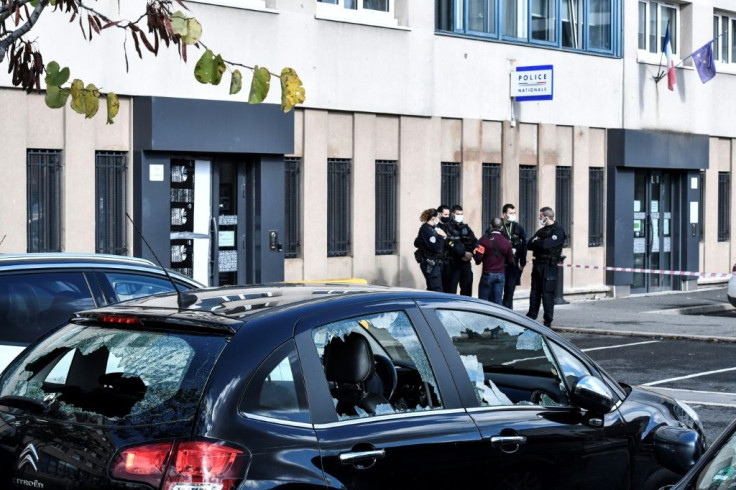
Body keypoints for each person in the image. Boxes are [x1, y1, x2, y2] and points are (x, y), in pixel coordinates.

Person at [526, 207, 566, 328]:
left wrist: (538, 242)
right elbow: (529, 244)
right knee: (535, 292)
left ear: (546, 217)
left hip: (549, 266)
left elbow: (546, 245)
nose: (539, 218)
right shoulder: (541, 231)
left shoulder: (558, 231)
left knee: (547, 293)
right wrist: (538, 242)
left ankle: (548, 321)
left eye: (540, 216)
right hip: (538, 265)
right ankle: (531, 317)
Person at [488, 203, 527, 309]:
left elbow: (524, 245)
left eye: (514, 213)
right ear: (504, 214)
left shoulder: (518, 227)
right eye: (511, 213)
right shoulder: (497, 225)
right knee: (496, 292)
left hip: (513, 264)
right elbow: (488, 241)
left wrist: (522, 263)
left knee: (509, 291)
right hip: (499, 264)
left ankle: (508, 314)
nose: (513, 215)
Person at [474, 217, 514, 305]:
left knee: (483, 301)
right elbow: (510, 260)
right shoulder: (506, 242)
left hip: (487, 274)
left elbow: (478, 258)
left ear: (490, 226)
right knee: (498, 301)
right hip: (500, 274)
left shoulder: (483, 240)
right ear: (502, 228)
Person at [444, 205, 478, 296]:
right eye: (458, 214)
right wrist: (463, 253)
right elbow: (449, 243)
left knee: (467, 290)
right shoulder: (447, 227)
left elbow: (474, 241)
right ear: (452, 214)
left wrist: (473, 251)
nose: (460, 216)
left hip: (466, 263)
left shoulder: (466, 228)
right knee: (451, 291)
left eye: (461, 214)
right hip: (453, 264)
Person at [413, 208, 447, 292]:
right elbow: (437, 248)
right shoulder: (427, 229)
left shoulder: (432, 228)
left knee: (431, 289)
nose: (439, 218)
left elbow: (416, 243)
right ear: (433, 218)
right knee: (436, 290)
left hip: (433, 263)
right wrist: (441, 236)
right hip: (430, 264)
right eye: (438, 216)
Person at [435, 205, 453, 292]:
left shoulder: (450, 226)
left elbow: (451, 242)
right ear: (439, 214)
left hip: (448, 261)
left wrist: (450, 242)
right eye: (445, 215)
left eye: (448, 215)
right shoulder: (434, 227)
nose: (447, 217)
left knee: (448, 287)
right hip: (438, 261)